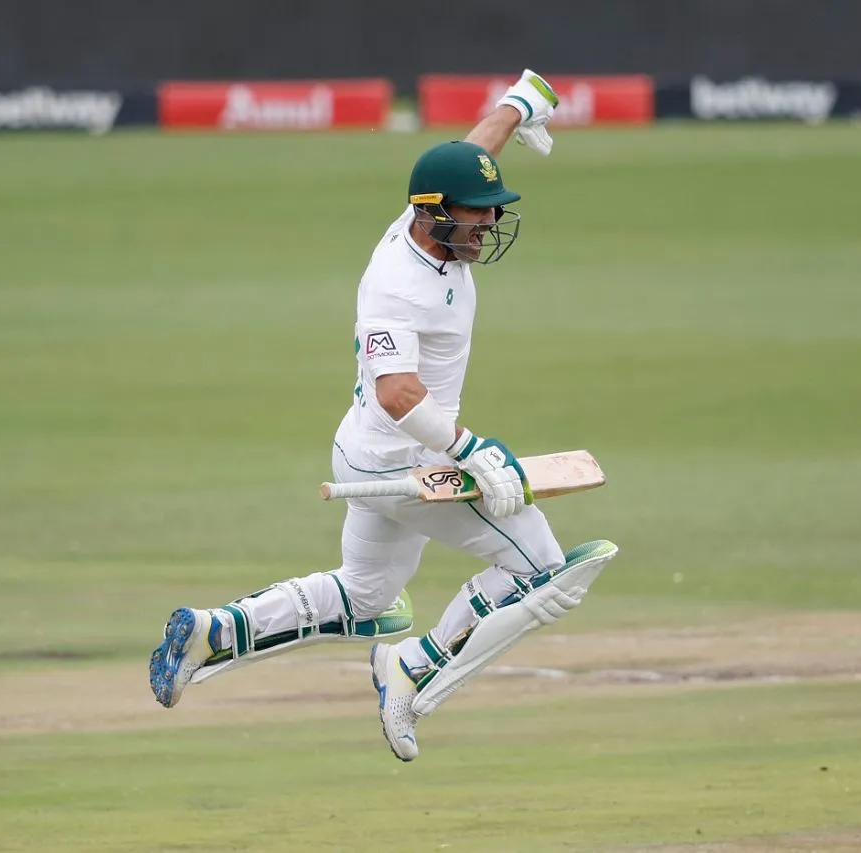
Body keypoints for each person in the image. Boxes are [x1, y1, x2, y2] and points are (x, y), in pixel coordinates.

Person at [148, 70, 618, 761]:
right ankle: (414, 666)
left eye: (490, 207)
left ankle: (215, 629)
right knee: (539, 568)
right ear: (434, 216)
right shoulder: (399, 286)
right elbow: (398, 391)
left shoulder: (421, 219)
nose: (488, 221)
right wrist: (472, 448)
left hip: (363, 450)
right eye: (477, 211)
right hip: (406, 460)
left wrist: (517, 106)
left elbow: (468, 150)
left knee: (366, 595)